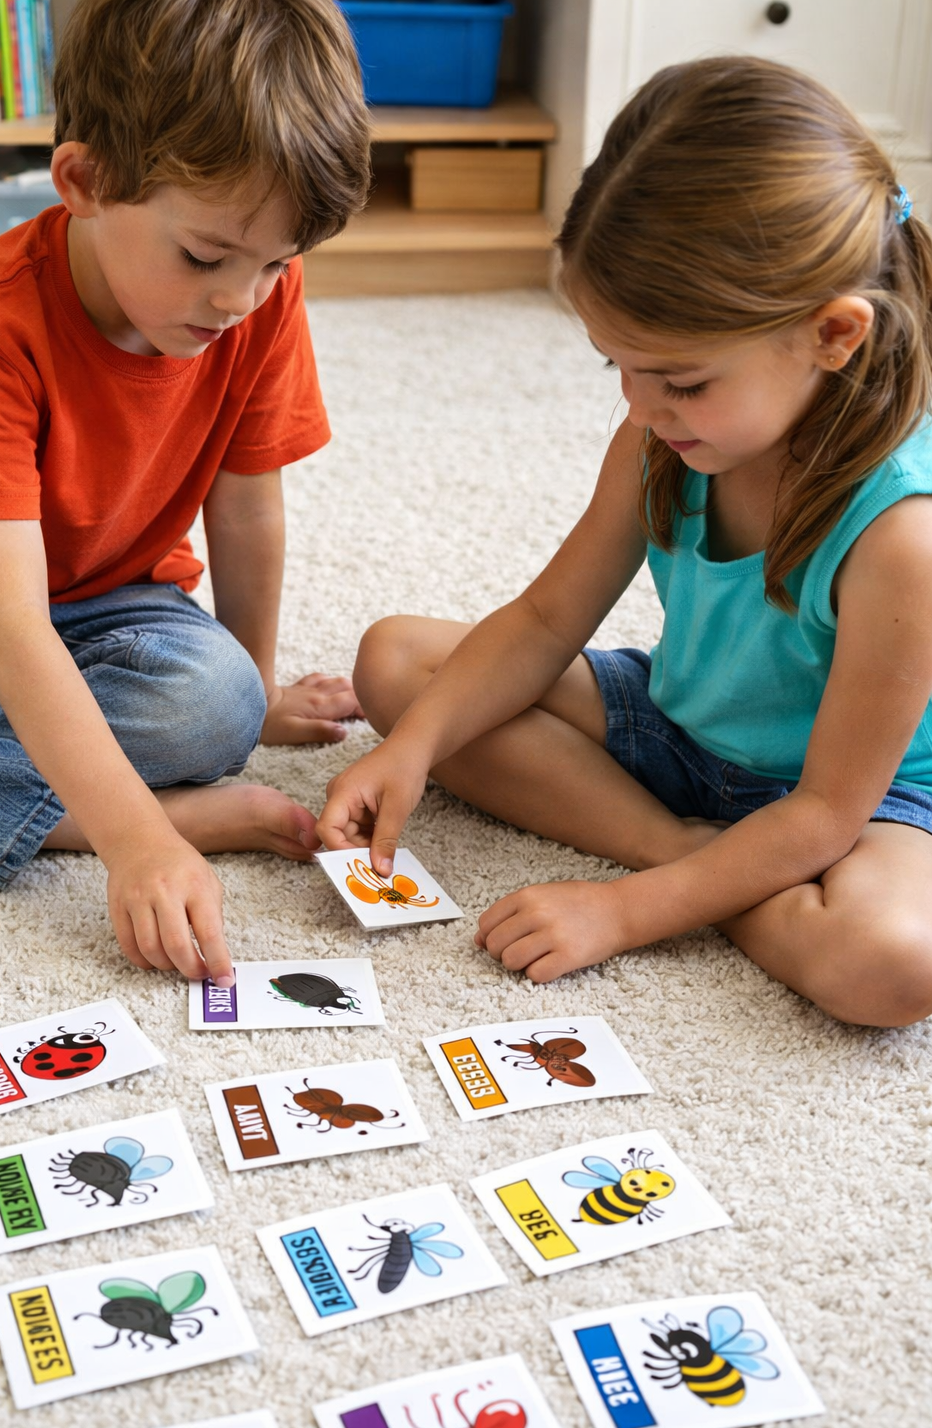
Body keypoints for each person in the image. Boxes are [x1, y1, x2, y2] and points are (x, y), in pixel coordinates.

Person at [318, 56, 932, 1029]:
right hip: (683, 736)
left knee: (886, 966)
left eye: (678, 380)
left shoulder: (902, 535)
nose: (640, 406)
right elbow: (545, 619)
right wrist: (415, 748)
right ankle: (681, 847)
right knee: (399, 662)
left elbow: (823, 814)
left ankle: (685, 871)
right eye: (619, 364)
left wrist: (624, 911)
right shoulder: (659, 440)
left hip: (861, 802)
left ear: (831, 335)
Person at [0, 0, 369, 986]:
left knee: (210, 702)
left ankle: (10, 782)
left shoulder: (259, 301)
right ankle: (89, 813)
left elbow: (247, 506)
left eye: (276, 263)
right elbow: (5, 622)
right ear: (82, 182)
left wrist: (251, 696)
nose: (238, 299)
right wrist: (134, 839)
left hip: (117, 611)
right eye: (205, 257)